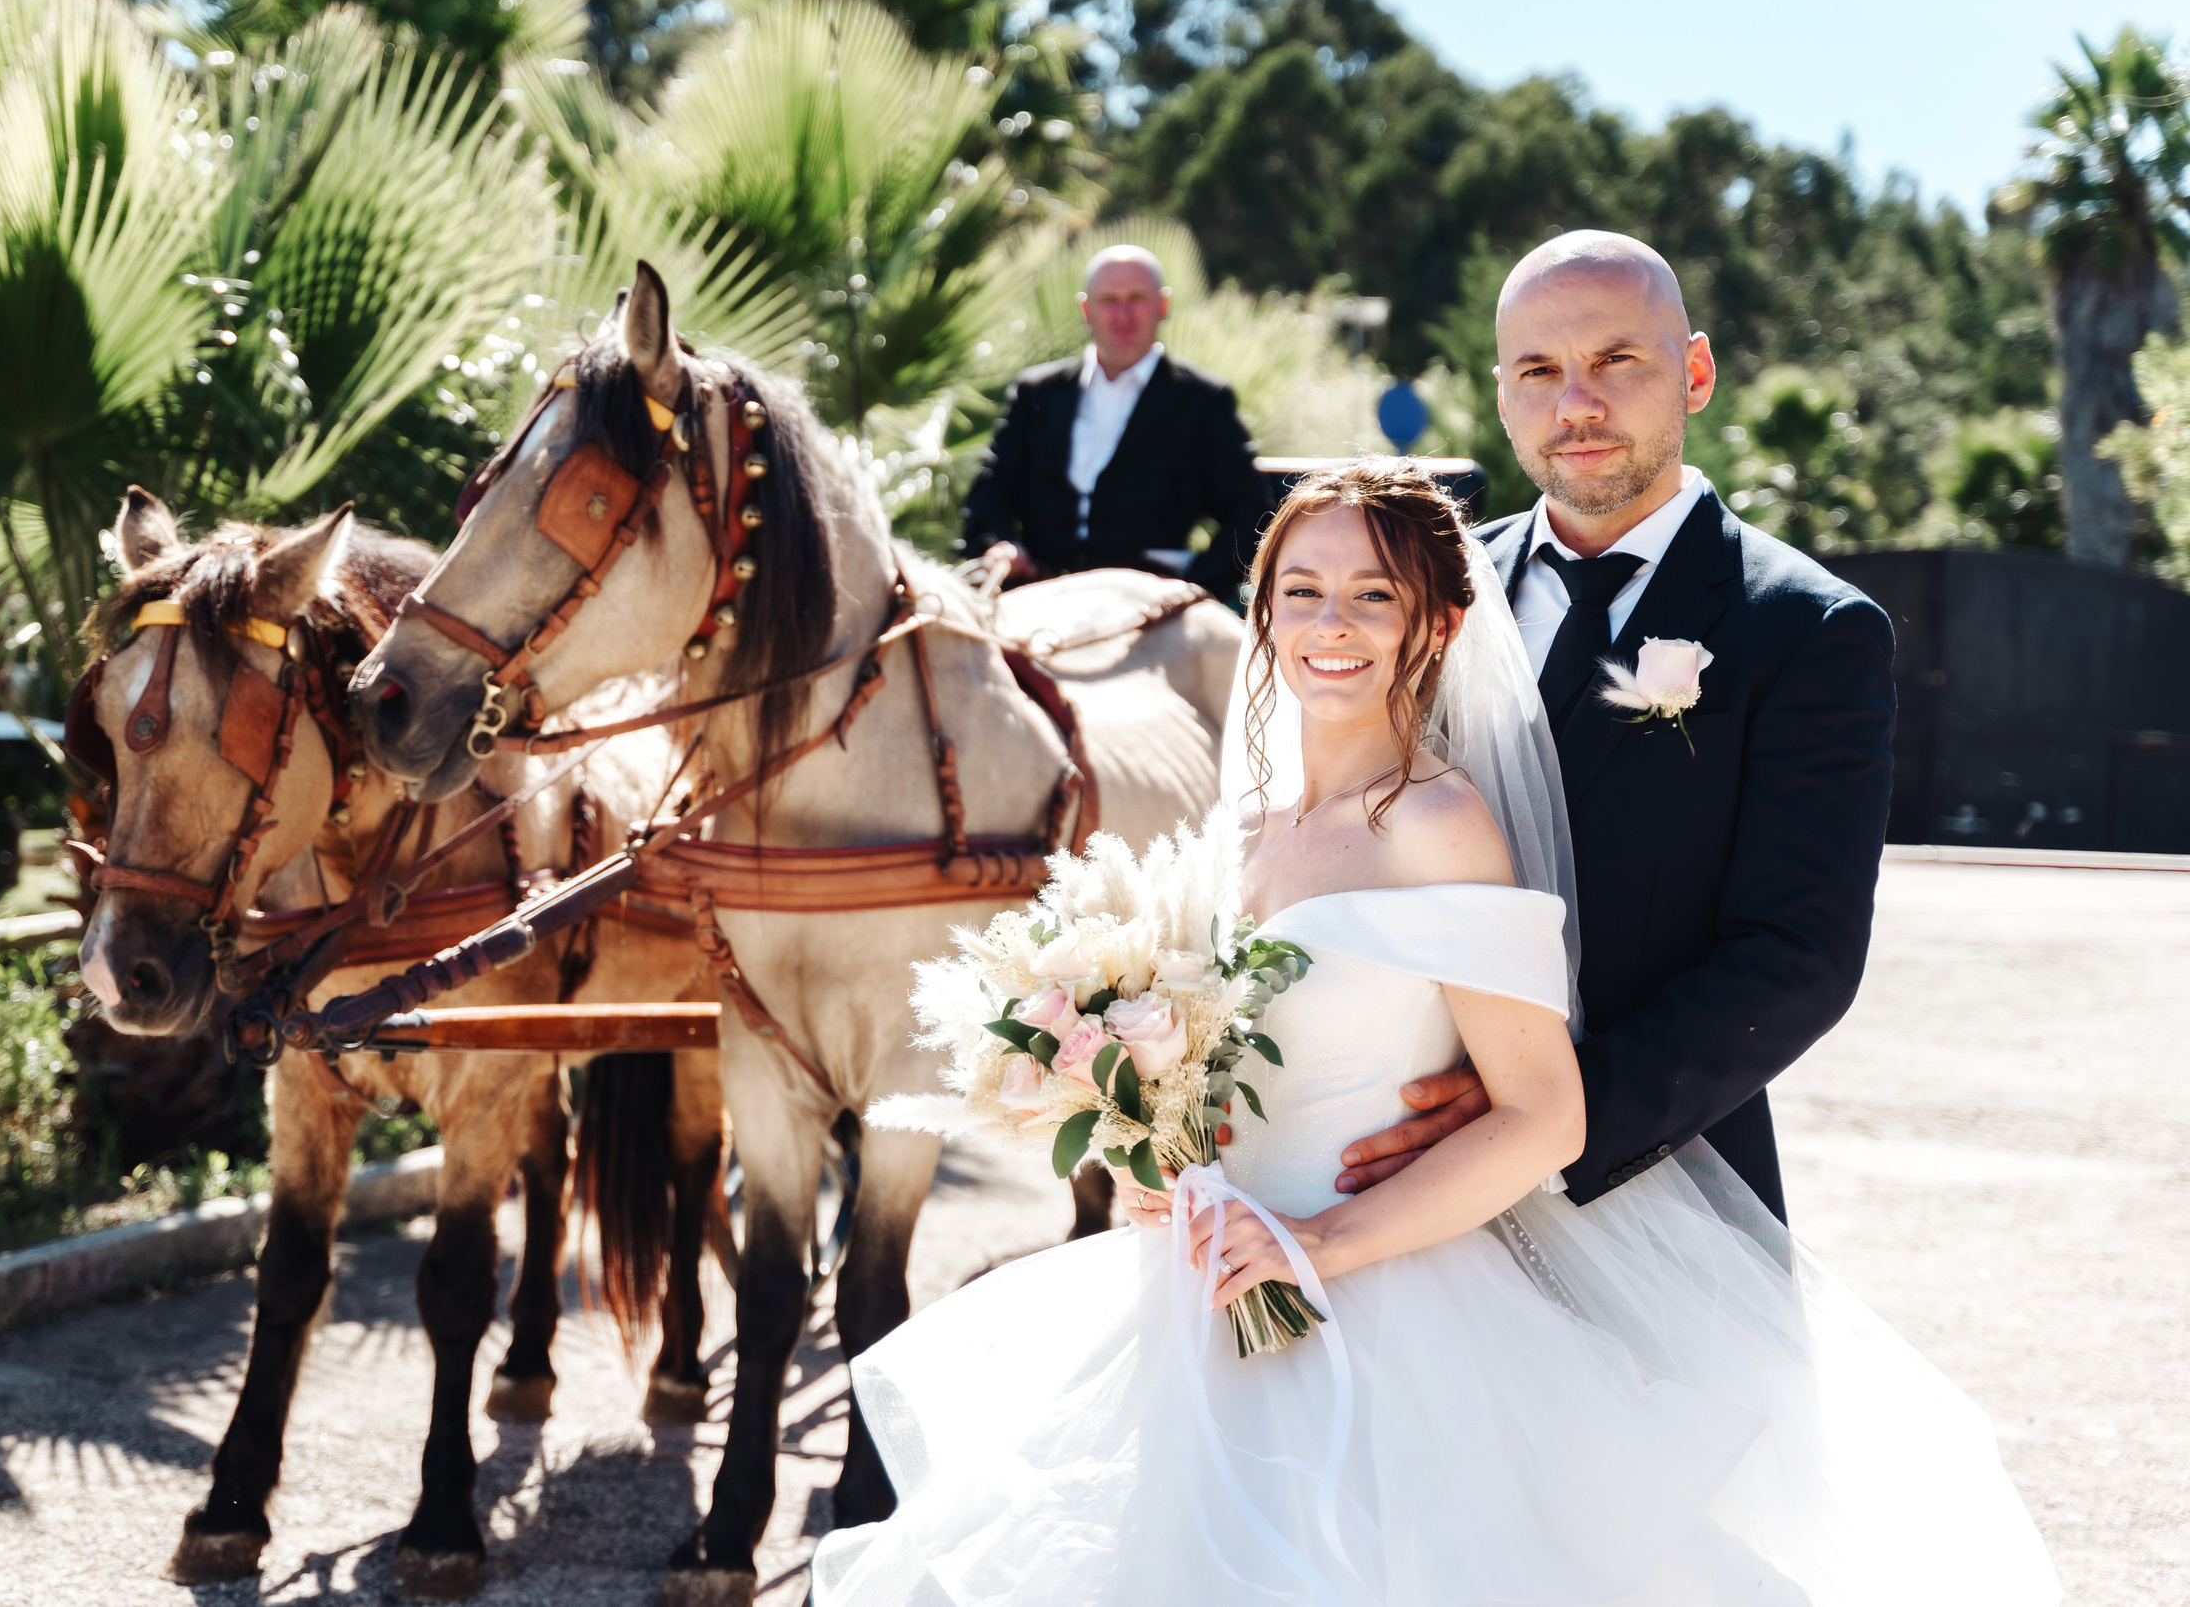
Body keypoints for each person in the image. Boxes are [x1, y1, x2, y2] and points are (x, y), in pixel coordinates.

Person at [812, 463, 2058, 1606]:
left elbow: (1543, 1113)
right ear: (1261, 616)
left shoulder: (1437, 822)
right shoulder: (1239, 829)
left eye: (1371, 595)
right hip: (1196, 1296)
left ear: (1438, 626)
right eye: (1299, 591)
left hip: (1380, 1298)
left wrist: (1321, 1244)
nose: (1330, 625)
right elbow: (1205, 1071)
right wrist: (1157, 1166)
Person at [1310, 230, 1896, 1223]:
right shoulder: (1421, 592)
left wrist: (1545, 1115)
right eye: (1538, 371)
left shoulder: (1807, 629)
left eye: (1615, 360)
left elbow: (1797, 960)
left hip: (1651, 1189)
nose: (1574, 405)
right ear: (1501, 397)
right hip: (1377, 1163)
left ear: (1694, 372)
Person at [962, 244, 1271, 603]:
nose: (1122, 313)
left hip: (1148, 610)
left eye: (1136, 298)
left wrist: (1194, 587)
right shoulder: (1038, 393)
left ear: (1162, 305)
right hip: (1035, 596)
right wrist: (1000, 545)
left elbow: (1251, 508)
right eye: (1108, 300)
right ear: (1086, 309)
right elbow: (991, 487)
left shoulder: (1202, 400)